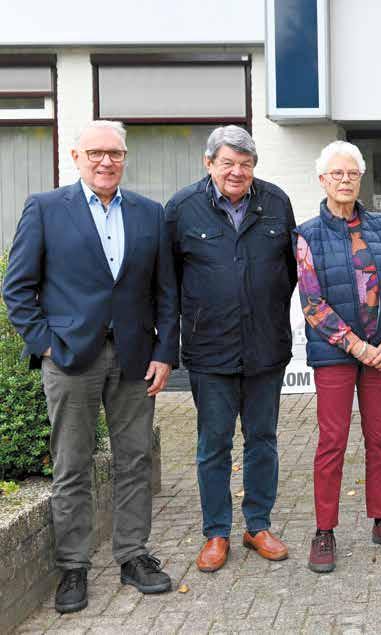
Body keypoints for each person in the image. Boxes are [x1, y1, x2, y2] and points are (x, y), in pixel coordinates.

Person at [3, 120, 178, 613]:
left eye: (115, 153)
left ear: (125, 159)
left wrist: (165, 352)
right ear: (76, 156)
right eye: (96, 152)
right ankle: (74, 566)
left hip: (136, 358)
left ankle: (133, 555)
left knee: (134, 459)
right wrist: (45, 346)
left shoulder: (149, 213)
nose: (106, 161)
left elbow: (167, 293)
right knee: (72, 463)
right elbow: (17, 288)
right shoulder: (45, 208)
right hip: (69, 358)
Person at [165, 125, 297, 573]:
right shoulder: (182, 209)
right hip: (210, 350)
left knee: (263, 440)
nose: (237, 172)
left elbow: (289, 272)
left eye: (245, 164)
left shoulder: (276, 202)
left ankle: (257, 525)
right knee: (214, 444)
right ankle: (216, 532)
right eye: (227, 163)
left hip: (265, 347)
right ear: (209, 164)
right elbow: (169, 283)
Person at [294, 140, 381, 574]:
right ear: (322, 180)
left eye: (352, 173)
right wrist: (357, 346)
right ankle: (324, 530)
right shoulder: (307, 234)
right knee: (333, 442)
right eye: (337, 174)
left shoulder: (380, 226)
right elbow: (312, 303)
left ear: (360, 179)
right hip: (336, 354)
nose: (345, 180)